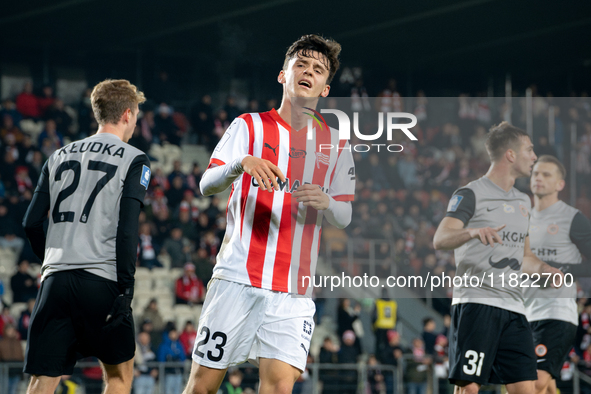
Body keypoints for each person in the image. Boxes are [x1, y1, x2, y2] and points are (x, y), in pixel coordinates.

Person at [182, 34, 354, 394]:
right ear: (283, 75)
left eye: (318, 69)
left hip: (293, 290)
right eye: (301, 64)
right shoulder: (249, 126)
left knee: (278, 388)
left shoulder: (337, 144)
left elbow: (344, 215)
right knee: (202, 386)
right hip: (237, 278)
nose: (308, 71)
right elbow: (206, 184)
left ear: (325, 89)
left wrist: (328, 203)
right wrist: (240, 164)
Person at [21, 79, 149, 394]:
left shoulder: (58, 155)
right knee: (119, 377)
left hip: (57, 280)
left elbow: (31, 222)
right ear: (128, 115)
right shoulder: (134, 158)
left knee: (42, 379)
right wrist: (126, 288)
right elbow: (128, 229)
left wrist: (52, 259)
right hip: (102, 280)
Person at [433, 122, 563, 394]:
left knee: (527, 390)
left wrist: (544, 268)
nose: (534, 156)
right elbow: (441, 239)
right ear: (511, 155)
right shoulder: (470, 193)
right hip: (477, 303)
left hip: (514, 308)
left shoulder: (523, 201)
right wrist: (472, 232)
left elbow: (524, 256)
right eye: (530, 149)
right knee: (468, 388)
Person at [523, 155, 591, 394]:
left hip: (556, 312)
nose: (539, 178)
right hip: (524, 313)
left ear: (560, 184)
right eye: (535, 174)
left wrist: (563, 269)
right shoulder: (521, 218)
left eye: (546, 174)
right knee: (546, 387)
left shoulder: (572, 218)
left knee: (534, 382)